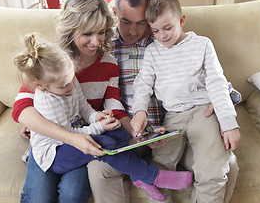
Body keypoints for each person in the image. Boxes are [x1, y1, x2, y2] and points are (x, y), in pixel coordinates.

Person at [88, 0, 241, 203]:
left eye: (141, 23)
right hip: (138, 134)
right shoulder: (103, 44)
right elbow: (73, 79)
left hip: (179, 124)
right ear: (115, 14)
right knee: (102, 169)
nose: (134, 30)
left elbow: (214, 79)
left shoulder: (166, 36)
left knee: (225, 165)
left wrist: (225, 105)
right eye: (126, 22)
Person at [14, 33, 193, 202]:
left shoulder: (66, 76)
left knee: (117, 130)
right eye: (63, 86)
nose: (70, 87)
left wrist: (96, 117)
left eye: (72, 80)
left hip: (76, 137)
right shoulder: (46, 96)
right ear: (40, 86)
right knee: (104, 145)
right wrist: (99, 128)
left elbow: (83, 107)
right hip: (55, 150)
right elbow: (67, 133)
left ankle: (139, 178)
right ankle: (152, 175)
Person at [12, 0, 133, 203]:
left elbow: (114, 107)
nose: (96, 41)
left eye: (102, 32)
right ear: (71, 30)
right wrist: (68, 136)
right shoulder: (52, 61)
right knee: (38, 198)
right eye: (87, 33)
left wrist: (137, 133)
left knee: (72, 195)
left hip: (84, 140)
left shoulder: (109, 64)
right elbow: (22, 108)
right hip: (53, 144)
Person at [131, 0, 241, 203]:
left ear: (181, 20)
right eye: (155, 31)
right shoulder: (153, 52)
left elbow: (217, 82)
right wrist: (140, 111)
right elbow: (143, 84)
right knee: (158, 170)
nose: (162, 36)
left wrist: (229, 123)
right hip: (172, 117)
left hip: (203, 114)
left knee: (213, 170)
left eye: (168, 28)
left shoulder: (203, 45)